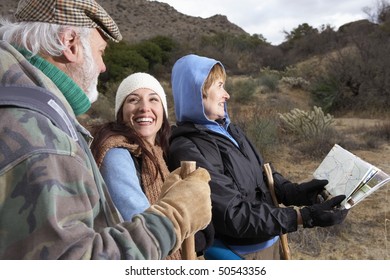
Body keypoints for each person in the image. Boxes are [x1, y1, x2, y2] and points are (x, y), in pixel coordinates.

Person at [0, 1, 212, 260]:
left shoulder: (25, 107)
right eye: (101, 52)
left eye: (154, 99)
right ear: (70, 44)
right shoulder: (41, 136)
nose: (102, 66)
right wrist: (175, 218)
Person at [168, 54, 349, 260]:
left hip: (271, 239)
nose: (226, 95)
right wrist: (303, 217)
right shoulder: (187, 147)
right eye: (219, 86)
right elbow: (232, 215)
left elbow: (262, 172)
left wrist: (295, 192)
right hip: (239, 253)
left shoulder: (229, 128)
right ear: (196, 90)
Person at [90, 72, 214, 259]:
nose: (144, 108)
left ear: (163, 111)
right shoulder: (116, 154)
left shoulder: (159, 152)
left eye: (153, 99)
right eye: (133, 100)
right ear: (121, 113)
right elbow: (140, 228)